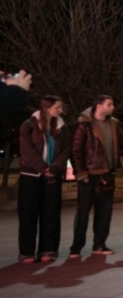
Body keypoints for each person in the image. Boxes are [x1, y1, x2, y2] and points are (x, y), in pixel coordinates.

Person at [69, 95, 123, 258]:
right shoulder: (84, 124)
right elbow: (75, 150)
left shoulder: (114, 124)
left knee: (105, 213)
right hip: (89, 175)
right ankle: (76, 247)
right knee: (83, 213)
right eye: (109, 104)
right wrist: (81, 173)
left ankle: (99, 245)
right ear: (99, 106)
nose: (113, 107)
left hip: (107, 173)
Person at [18, 96, 70, 263]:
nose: (61, 110)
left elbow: (66, 149)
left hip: (53, 175)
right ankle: (27, 252)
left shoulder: (62, 127)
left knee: (51, 213)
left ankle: (48, 249)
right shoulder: (28, 125)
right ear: (46, 108)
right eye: (57, 107)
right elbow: (27, 150)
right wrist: (43, 168)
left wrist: (54, 168)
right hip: (30, 176)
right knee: (28, 214)